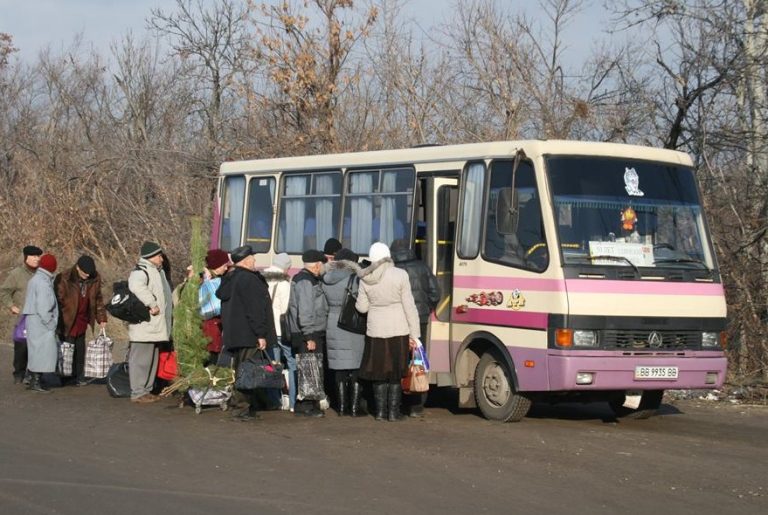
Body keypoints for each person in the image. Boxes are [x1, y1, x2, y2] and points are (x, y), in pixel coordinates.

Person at [356, 242, 420, 421]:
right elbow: (409, 306)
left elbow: (362, 308)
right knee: (396, 372)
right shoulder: (401, 275)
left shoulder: (365, 278)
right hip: (399, 329)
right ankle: (393, 412)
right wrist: (415, 335)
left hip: (375, 330)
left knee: (378, 373)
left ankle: (380, 413)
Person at [216, 245, 276, 421]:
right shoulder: (249, 280)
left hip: (236, 334)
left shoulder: (230, 278)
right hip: (249, 334)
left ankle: (244, 407)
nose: (255, 261)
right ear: (245, 260)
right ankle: (242, 409)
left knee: (241, 371)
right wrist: (261, 334)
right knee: (247, 372)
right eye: (253, 258)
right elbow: (255, 310)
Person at [390, 239, 440, 417]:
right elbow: (435, 292)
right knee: (418, 360)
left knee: (400, 360)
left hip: (399, 320)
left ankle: (400, 402)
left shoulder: (392, 271)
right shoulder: (423, 267)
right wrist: (427, 308)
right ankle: (417, 405)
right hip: (420, 319)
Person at [127, 242, 172, 404]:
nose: (161, 259)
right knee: (141, 360)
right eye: (159, 256)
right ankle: (138, 392)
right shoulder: (141, 271)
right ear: (151, 257)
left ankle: (146, 390)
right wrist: (152, 304)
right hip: (145, 325)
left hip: (155, 326)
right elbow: (136, 286)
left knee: (151, 359)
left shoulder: (157, 272)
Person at [321, 248, 365, 416]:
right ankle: (354, 408)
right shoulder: (355, 278)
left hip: (333, 323)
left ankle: (340, 408)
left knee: (339, 368)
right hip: (352, 323)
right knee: (355, 367)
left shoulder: (326, 279)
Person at [54, 255, 108, 386]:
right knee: (67, 348)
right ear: (77, 268)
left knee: (80, 349)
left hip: (82, 318)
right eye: (84, 273)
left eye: (89, 273)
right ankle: (65, 376)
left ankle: (79, 375)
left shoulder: (94, 278)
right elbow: (58, 300)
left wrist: (101, 318)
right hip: (68, 318)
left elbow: (98, 299)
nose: (87, 275)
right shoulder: (64, 278)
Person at [288, 249, 328, 417]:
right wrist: (309, 336)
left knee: (311, 366)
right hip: (308, 332)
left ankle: (309, 403)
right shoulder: (306, 281)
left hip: (310, 331)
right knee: (309, 367)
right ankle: (305, 406)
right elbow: (305, 310)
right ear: (318, 265)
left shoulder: (308, 279)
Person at [1, 245, 43, 383]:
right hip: (23, 318)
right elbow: (4, 291)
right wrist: (11, 306)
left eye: (38, 256)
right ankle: (19, 373)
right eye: (34, 256)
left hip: (39, 318)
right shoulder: (17, 274)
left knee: (37, 348)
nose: (37, 259)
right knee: (22, 348)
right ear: (26, 257)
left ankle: (34, 375)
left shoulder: (42, 273)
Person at [262, 252, 295, 411]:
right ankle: (293, 401)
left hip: (268, 330)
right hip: (281, 330)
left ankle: (274, 400)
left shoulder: (260, 279)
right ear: (285, 268)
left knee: (272, 365)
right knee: (291, 362)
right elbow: (285, 309)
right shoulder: (283, 284)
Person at [22, 254, 59, 393]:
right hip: (41, 322)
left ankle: (33, 377)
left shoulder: (35, 279)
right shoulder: (44, 283)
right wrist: (51, 324)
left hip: (33, 320)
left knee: (35, 351)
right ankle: (36, 380)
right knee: (42, 352)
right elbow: (44, 306)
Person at [199, 249, 230, 366]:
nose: (226, 268)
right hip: (211, 326)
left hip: (212, 326)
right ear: (216, 265)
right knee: (211, 359)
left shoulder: (210, 279)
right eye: (224, 265)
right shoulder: (210, 281)